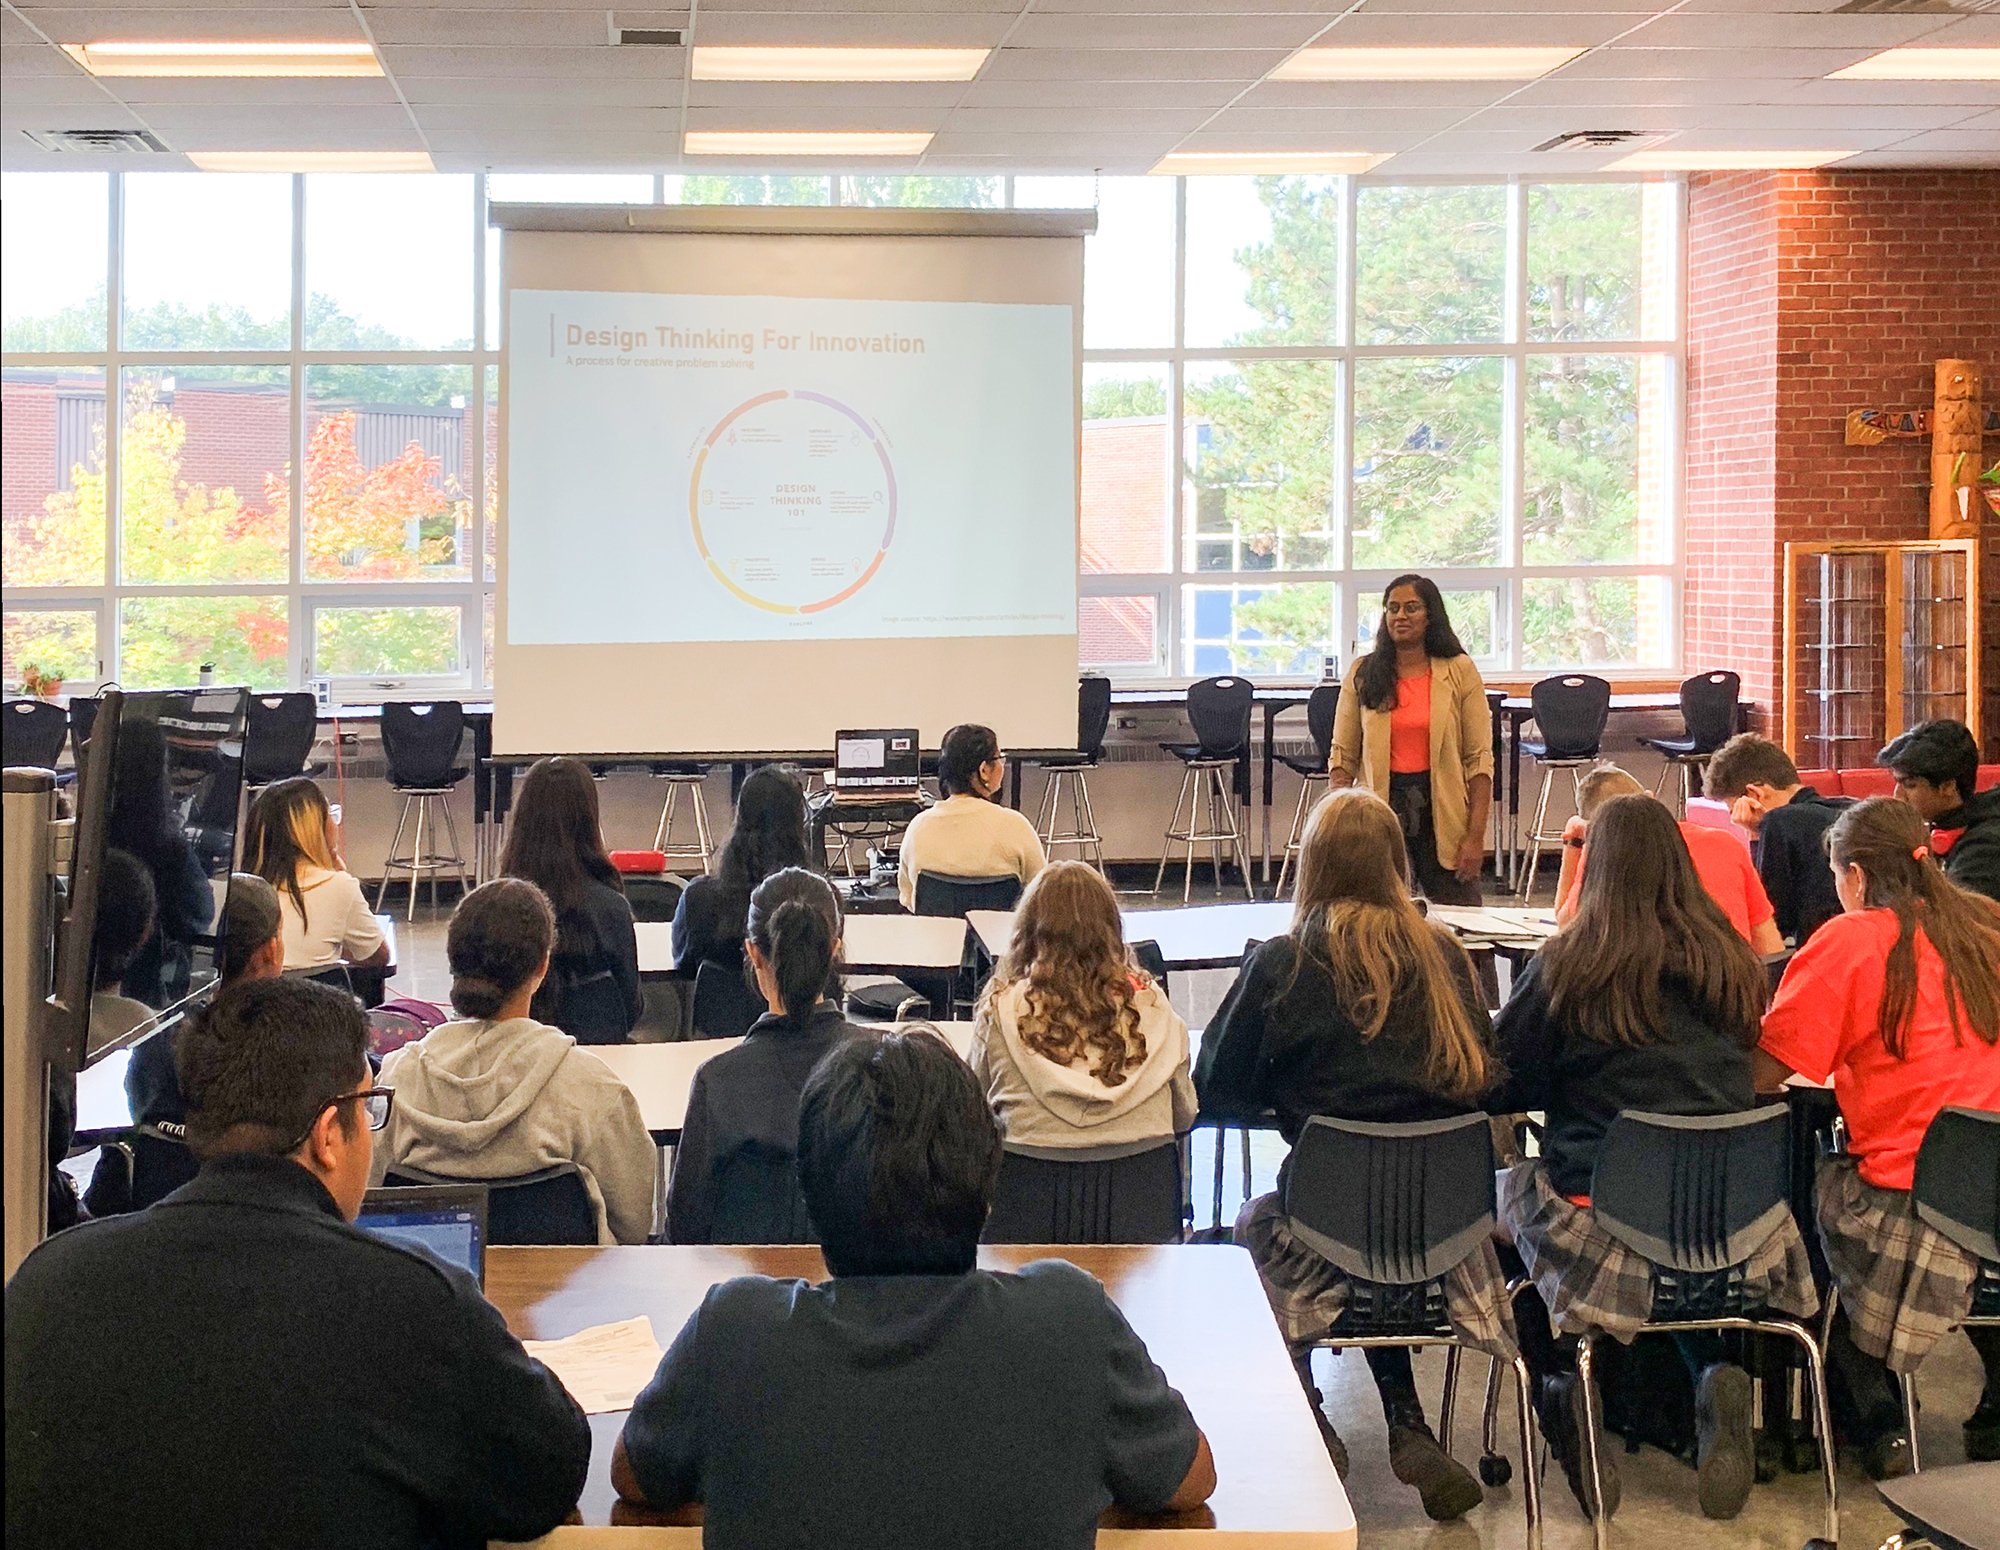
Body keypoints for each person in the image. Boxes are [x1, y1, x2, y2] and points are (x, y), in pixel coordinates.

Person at [4, 976, 591, 1549]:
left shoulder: (46, 1282)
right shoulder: (411, 1301)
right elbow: (549, 1477)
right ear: (329, 1134)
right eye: (369, 1108)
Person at [616, 1028, 1216, 1550]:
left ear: (812, 1201)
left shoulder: (734, 1329)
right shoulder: (1069, 1319)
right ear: (987, 1191)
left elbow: (635, 1475)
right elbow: (1190, 1480)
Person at [1491, 793, 1813, 1522]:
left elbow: (1504, 1076)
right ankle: (1714, 1371)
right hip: (1734, 1216)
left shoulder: (1569, 964)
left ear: (1596, 868)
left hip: (1599, 1213)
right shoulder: (1732, 959)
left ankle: (1566, 1389)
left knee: (1509, 1199)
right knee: (1677, 1241)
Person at [1196, 788, 1499, 1518]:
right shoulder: (1448, 957)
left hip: (1321, 1237)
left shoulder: (1286, 963)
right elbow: (1490, 1072)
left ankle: (1310, 1420)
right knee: (1376, 1236)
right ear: (1398, 865)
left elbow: (1213, 1088)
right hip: (1445, 1238)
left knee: (1253, 1224)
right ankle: (1408, 1422)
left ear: (1312, 866)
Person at [1756, 797, 2000, 1477]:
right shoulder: (1989, 926)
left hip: (1910, 1198)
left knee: (1803, 1230)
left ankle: (1878, 1418)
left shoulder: (1853, 940)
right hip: (1991, 1198)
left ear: (1855, 876)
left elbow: (1774, 1069)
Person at [372, 878, 656, 1245]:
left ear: (452, 961)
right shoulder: (592, 1087)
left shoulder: (396, 1081)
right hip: (567, 1295)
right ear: (542, 966)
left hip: (435, 1292)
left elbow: (366, 1197)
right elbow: (633, 1222)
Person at [667, 868, 864, 1244]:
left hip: (746, 1295)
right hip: (857, 1295)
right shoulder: (886, 1068)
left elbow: (684, 1229)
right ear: (834, 949)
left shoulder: (718, 1082)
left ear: (753, 953)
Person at [971, 859, 1194, 1177]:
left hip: (1023, 1213)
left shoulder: (1001, 1008)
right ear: (1113, 931)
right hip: (1143, 1217)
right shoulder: (1155, 1008)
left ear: (1029, 933)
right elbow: (1183, 1117)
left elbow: (972, 1109)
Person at [1327, 574, 1493, 907]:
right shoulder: (1363, 673)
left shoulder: (1459, 670)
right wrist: (1339, 828)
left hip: (1442, 809)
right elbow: (1342, 758)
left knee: (1464, 924)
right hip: (1380, 811)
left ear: (1431, 615)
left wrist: (1475, 839)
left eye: (1411, 608)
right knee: (1375, 919)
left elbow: (1479, 760)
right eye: (1393, 608)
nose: (1400, 616)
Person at [1553, 764, 1784, 954]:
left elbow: (1565, 929)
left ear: (1596, 829)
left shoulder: (1605, 853)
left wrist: (1573, 843)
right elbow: (1771, 951)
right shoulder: (1726, 843)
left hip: (1644, 996)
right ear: (1650, 798)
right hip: (1728, 995)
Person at [500, 756, 642, 1043]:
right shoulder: (612, 908)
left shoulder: (496, 908)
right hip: (601, 1058)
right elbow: (631, 1008)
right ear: (589, 821)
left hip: (515, 1061)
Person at [1703, 733, 1851, 946]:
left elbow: (1769, 919)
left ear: (1753, 795)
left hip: (1819, 950)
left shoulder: (1779, 822)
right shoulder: (1850, 809)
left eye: (1733, 809)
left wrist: (1755, 834)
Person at [105, 718, 213, 1006]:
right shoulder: (170, 849)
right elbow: (200, 916)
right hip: (154, 993)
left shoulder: (91, 842)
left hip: (94, 987)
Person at [672, 763, 813, 978]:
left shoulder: (698, 899)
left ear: (740, 818)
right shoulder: (819, 902)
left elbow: (682, 973)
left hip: (714, 1011)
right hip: (793, 1012)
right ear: (799, 825)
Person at [897, 723, 1046, 911]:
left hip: (938, 938)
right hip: (1000, 939)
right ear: (984, 769)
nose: (1002, 765)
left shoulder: (918, 827)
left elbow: (909, 898)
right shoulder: (1015, 825)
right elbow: (1040, 895)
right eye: (999, 758)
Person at [247, 776, 387, 973]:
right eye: (330, 814)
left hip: (251, 1002)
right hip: (318, 1002)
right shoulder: (339, 887)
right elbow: (377, 956)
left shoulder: (241, 894)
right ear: (313, 830)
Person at [1878, 719, 2000, 903]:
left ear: (1948, 787)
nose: (1898, 796)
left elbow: (1957, 920)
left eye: (1910, 785)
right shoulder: (1952, 824)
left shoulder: (1984, 850)